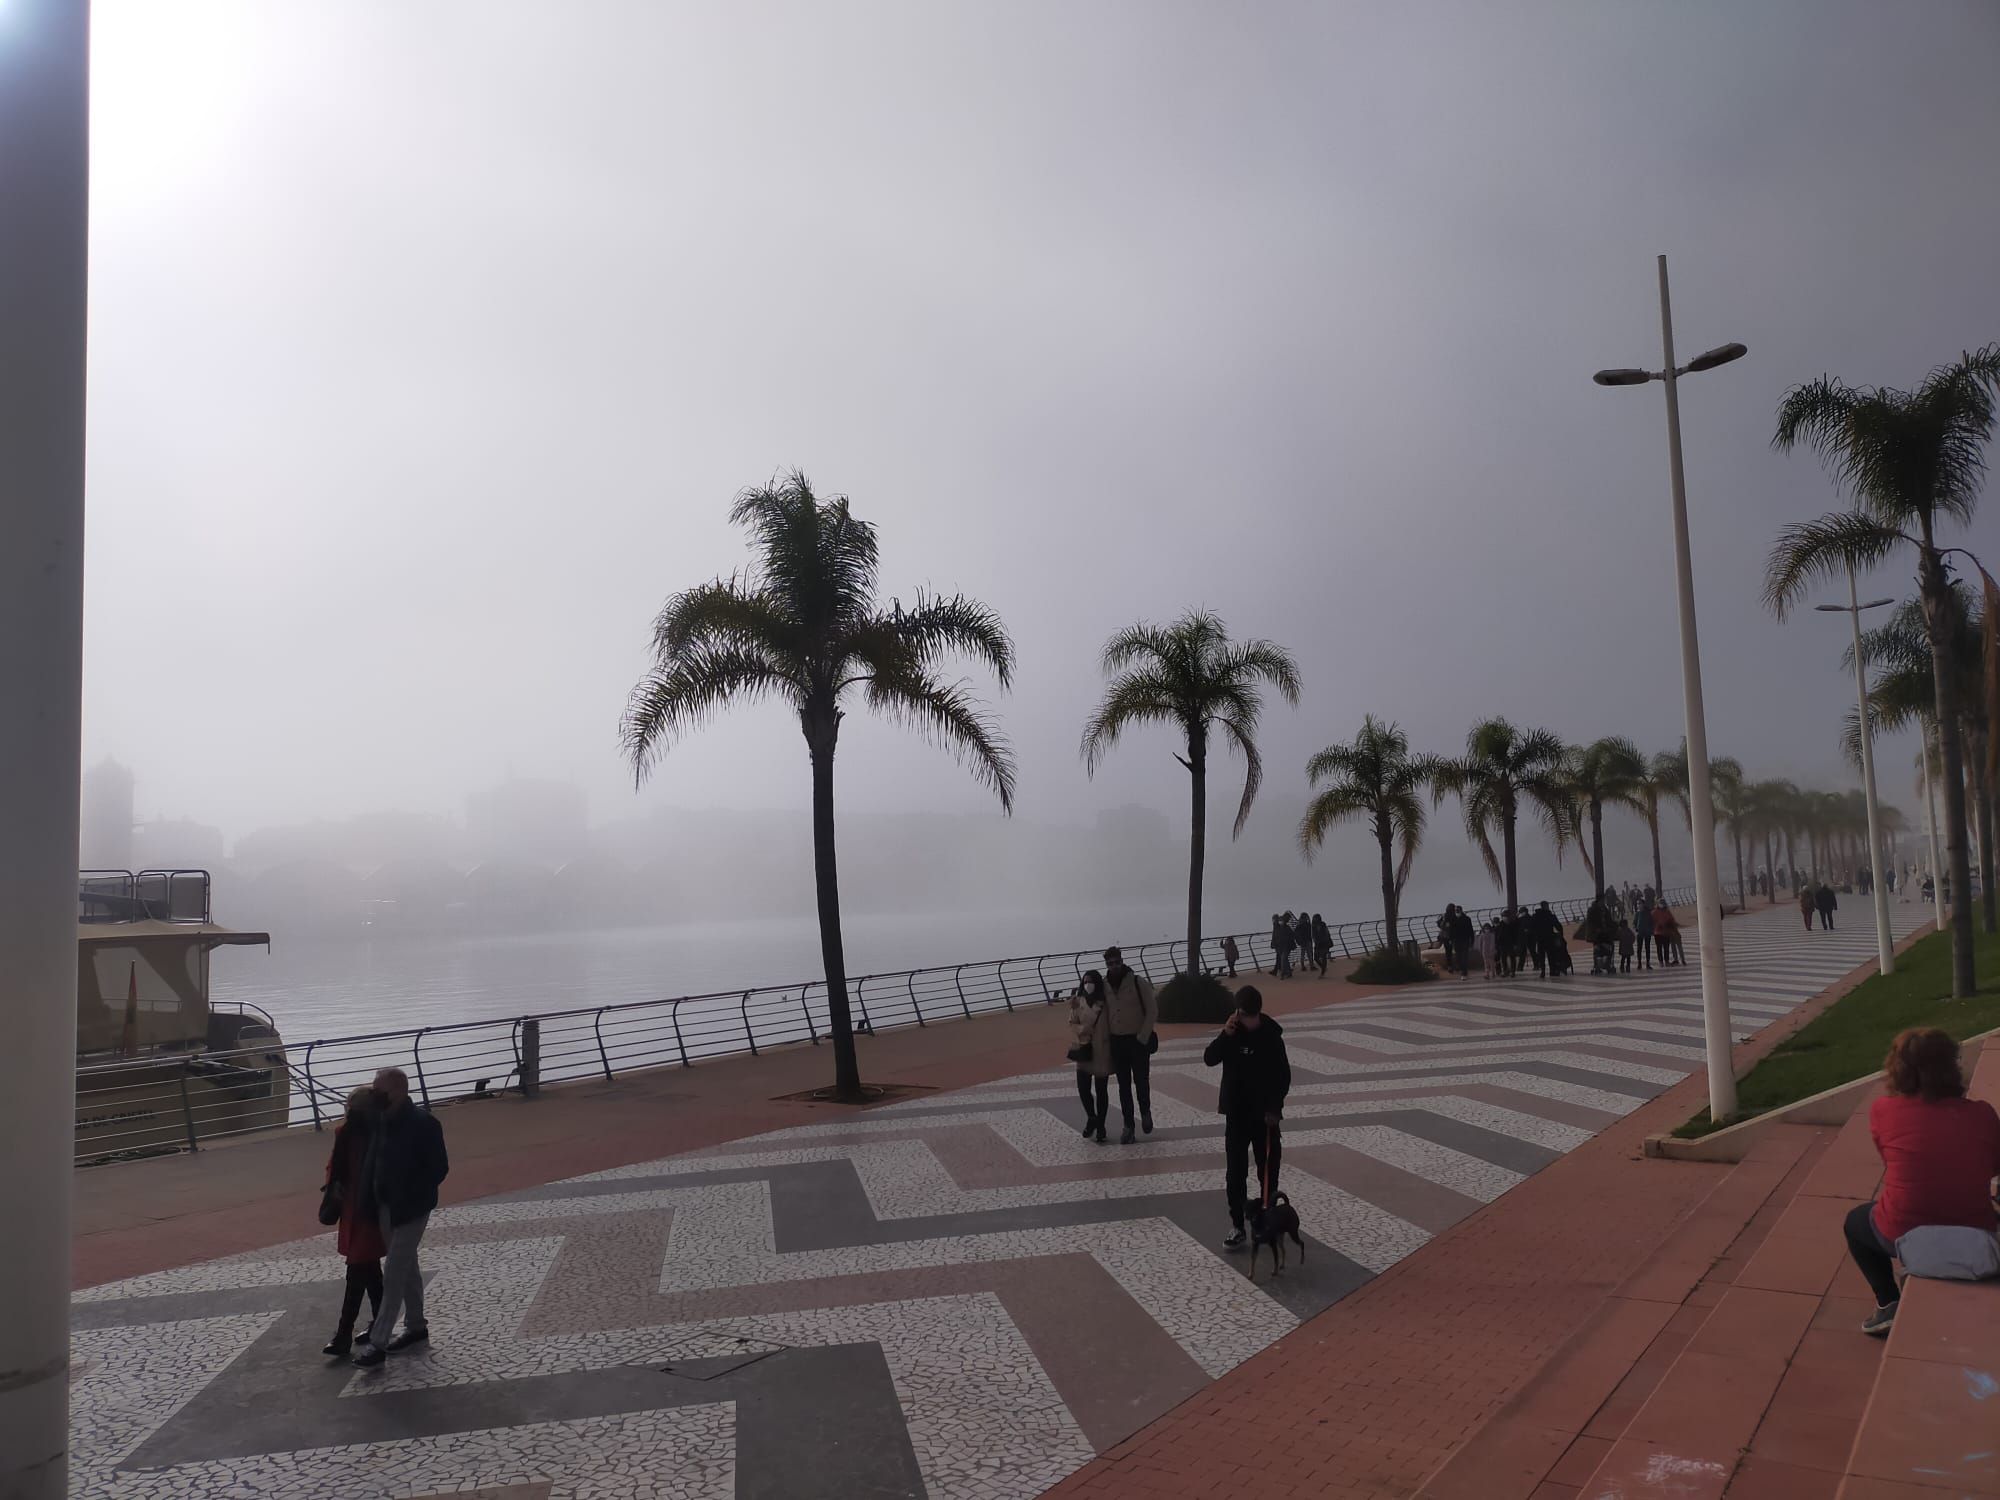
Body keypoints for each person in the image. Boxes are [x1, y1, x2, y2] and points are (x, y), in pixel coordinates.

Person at [1842, 1028, 2000, 1335]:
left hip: (1902, 1232)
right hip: (1974, 1232)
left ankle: (1888, 1304)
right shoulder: (1983, 1115)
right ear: (1952, 1068)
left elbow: (1894, 1160)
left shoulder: (1883, 1111)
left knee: (1855, 1222)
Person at [351, 1066, 449, 1368]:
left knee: (393, 1270)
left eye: (379, 1090)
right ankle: (416, 1326)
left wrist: (411, 1193)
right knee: (406, 1267)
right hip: (385, 1207)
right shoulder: (380, 1120)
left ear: (398, 1090)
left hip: (411, 1209)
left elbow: (439, 1169)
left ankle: (379, 1342)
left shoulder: (424, 1124)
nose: (375, 1095)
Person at [1202, 985, 1291, 1250]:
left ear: (1258, 1013)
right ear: (1236, 1013)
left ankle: (1268, 1219)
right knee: (1235, 1174)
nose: (1247, 1020)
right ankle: (1238, 1225)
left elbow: (1282, 1077)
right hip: (1237, 1115)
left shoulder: (1272, 1036)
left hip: (1265, 1118)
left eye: (1251, 1015)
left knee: (1268, 1170)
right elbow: (1209, 1059)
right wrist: (1224, 1035)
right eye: (1242, 1014)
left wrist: (1275, 1109)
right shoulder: (1231, 1034)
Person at [321, 1087, 387, 1358]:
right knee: (369, 1270)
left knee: (357, 1270)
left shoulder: (352, 1133)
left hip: (362, 1211)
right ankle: (379, 1323)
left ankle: (343, 1335)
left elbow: (335, 1169)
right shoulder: (375, 1131)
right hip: (363, 1210)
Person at [1102, 946, 1158, 1144]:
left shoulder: (1136, 981)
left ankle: (1145, 1112)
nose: (1114, 966)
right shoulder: (1104, 985)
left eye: (1117, 962)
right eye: (1110, 963)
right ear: (1106, 964)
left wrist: (1143, 1037)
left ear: (1122, 961)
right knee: (1123, 1086)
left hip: (1137, 1041)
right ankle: (1128, 1126)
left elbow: (1152, 1010)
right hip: (1117, 1042)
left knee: (1141, 1081)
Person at [1067, 970, 1112, 1144]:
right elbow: (1071, 1022)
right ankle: (1092, 1117)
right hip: (1084, 1049)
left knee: (1102, 1091)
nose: (1088, 984)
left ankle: (1101, 1126)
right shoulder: (1078, 1002)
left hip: (1102, 1050)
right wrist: (1082, 1031)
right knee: (1083, 1089)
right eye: (1085, 981)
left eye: (1091, 981)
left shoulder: (1105, 1002)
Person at [1271, 913, 1295, 979]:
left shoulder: (1286, 928)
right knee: (1285, 960)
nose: (1281, 922)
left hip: (1286, 946)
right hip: (1280, 946)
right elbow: (1275, 936)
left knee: (1283, 959)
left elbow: (1292, 935)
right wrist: (1274, 944)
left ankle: (1283, 974)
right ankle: (1288, 972)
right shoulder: (1278, 928)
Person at [1634, 899, 1655, 970]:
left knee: (1647, 948)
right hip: (1640, 933)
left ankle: (1648, 964)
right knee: (1639, 949)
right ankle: (1639, 963)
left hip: (1647, 933)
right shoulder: (1637, 913)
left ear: (1643, 904)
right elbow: (1634, 922)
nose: (1638, 905)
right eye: (1637, 904)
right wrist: (1635, 929)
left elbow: (1652, 922)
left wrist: (1651, 930)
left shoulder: (1648, 913)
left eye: (1639, 903)